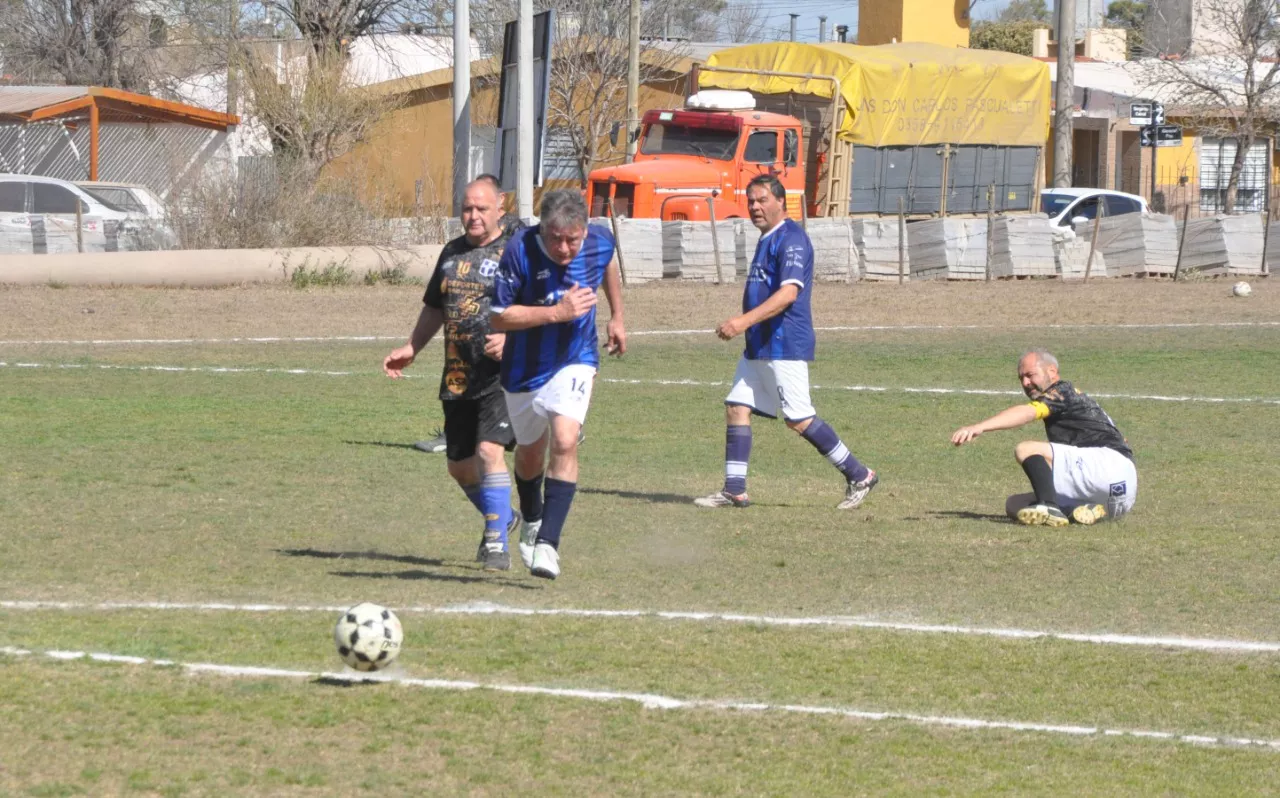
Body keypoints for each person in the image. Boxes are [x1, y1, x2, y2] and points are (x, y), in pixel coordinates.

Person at [695, 174, 878, 511]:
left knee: (798, 418)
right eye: (750, 201)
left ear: (781, 201)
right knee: (736, 407)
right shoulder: (768, 238)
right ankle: (734, 490)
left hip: (784, 343)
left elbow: (788, 294)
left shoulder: (791, 239)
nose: (754, 207)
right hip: (759, 344)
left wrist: (741, 322)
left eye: (762, 200)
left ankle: (859, 473)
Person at [382, 175, 523, 571]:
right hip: (459, 375)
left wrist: (514, 340)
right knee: (460, 468)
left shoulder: (517, 253)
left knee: (489, 452)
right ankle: (504, 517)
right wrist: (412, 347)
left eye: (481, 208)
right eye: (467, 208)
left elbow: (543, 308)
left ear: (500, 208)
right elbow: (434, 307)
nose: (473, 216)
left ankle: (497, 542)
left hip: (504, 376)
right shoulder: (450, 252)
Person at [490, 189, 626, 580]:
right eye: (556, 238)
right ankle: (532, 517)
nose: (565, 248)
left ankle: (549, 544)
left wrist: (617, 315)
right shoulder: (519, 250)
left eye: (573, 239)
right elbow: (499, 317)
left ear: (584, 230)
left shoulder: (599, 240)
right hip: (523, 368)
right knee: (531, 452)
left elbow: (606, 264)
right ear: (542, 229)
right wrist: (556, 313)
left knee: (565, 439)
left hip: (576, 358)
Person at [950, 349, 1137, 526]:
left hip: (1106, 469)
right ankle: (1080, 510)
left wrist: (979, 427)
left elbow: (1028, 412)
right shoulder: (1082, 401)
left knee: (1026, 449)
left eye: (1030, 375)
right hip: (1120, 495)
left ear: (1052, 371)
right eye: (1021, 378)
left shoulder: (1062, 391)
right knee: (1014, 505)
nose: (1025, 383)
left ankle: (1050, 507)